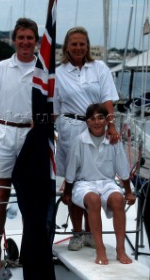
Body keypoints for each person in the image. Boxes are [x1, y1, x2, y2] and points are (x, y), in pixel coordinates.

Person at [53, 26, 120, 251]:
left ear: (88, 46)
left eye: (82, 44)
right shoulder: (58, 72)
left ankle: (92, 232)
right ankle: (77, 232)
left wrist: (111, 125)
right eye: (74, 44)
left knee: (94, 180)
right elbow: (54, 108)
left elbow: (108, 99)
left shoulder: (99, 67)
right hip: (70, 130)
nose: (78, 48)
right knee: (74, 182)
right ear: (67, 47)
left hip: (97, 128)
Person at [0, 18, 39, 272]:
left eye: (30, 38)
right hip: (3, 134)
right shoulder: (1, 68)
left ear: (36, 41)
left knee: (31, 199)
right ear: (14, 40)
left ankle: (30, 252)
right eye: (21, 37)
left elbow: (55, 106)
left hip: (32, 137)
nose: (25, 42)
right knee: (1, 196)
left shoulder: (44, 71)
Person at [63, 103, 136, 265]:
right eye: (92, 119)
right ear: (87, 122)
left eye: (101, 118)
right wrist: (67, 192)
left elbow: (123, 169)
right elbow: (71, 170)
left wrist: (129, 192)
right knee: (93, 200)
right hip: (84, 183)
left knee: (118, 199)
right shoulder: (79, 141)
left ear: (106, 121)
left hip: (107, 182)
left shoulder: (114, 140)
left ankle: (120, 250)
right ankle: (100, 249)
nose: (97, 122)